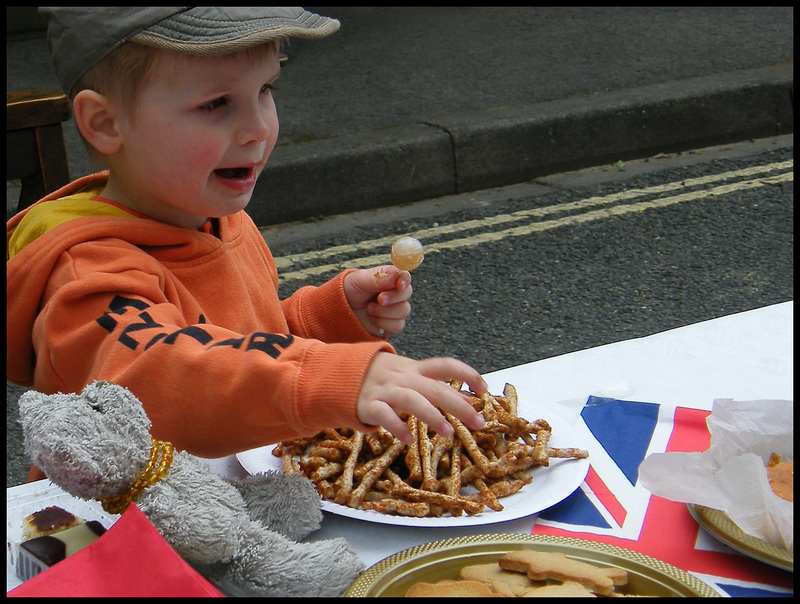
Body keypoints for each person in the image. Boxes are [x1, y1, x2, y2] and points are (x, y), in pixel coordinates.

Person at [6, 7, 486, 481]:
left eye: (265, 89)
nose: (258, 127)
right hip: (117, 532)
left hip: (245, 506)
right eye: (216, 103)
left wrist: (328, 319)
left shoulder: (218, 219)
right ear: (106, 123)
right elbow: (162, 373)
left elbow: (239, 345)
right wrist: (327, 376)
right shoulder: (85, 269)